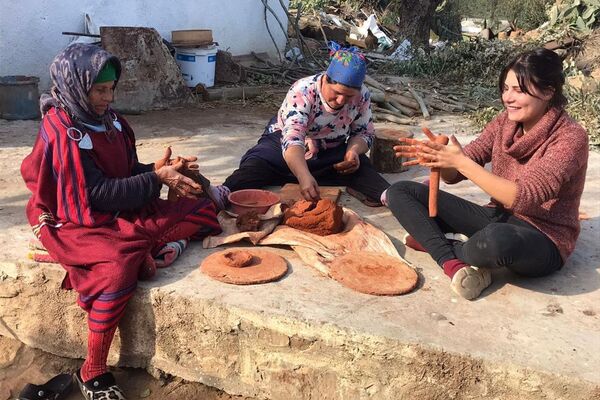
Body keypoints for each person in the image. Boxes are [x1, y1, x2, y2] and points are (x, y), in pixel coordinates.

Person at [20, 44, 221, 399]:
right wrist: (157, 181)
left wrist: (162, 171)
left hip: (116, 209)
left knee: (201, 205)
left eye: (111, 88)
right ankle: (93, 370)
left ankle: (157, 244)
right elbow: (92, 196)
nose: (107, 97)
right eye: (99, 89)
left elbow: (127, 174)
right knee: (117, 268)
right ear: (76, 85)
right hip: (77, 218)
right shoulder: (62, 132)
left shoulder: (110, 120)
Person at [388, 48, 588, 300]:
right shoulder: (505, 121)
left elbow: (525, 197)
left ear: (548, 92)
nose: (508, 98)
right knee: (400, 191)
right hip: (499, 216)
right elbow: (455, 174)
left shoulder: (571, 137)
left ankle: (438, 243)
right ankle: (453, 261)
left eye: (519, 90)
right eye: (505, 88)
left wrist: (460, 162)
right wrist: (443, 159)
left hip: (543, 237)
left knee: (496, 241)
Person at [219, 42, 390, 206]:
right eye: (337, 93)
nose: (340, 100)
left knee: (361, 168)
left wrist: (352, 152)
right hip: (284, 145)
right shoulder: (303, 90)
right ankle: (222, 193)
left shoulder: (362, 95)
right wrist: (303, 176)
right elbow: (292, 138)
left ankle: (392, 197)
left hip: (330, 148)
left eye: (348, 96)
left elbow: (363, 133)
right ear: (326, 80)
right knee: (258, 164)